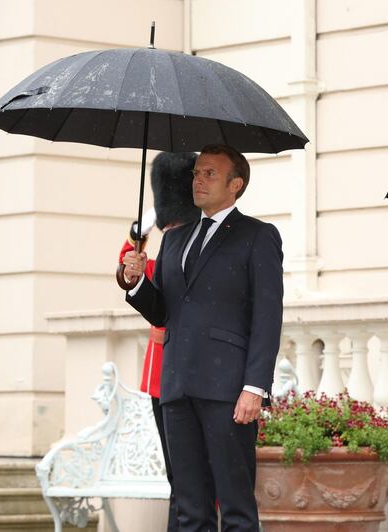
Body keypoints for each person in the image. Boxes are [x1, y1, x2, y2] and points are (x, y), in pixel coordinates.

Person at [122, 144, 284, 532]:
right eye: (197, 172)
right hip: (176, 387)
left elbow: (267, 318)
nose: (198, 179)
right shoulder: (176, 238)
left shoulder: (258, 235)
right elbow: (163, 311)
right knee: (189, 508)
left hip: (228, 390)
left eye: (210, 173)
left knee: (236, 507)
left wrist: (254, 387)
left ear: (236, 184)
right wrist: (136, 280)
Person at [118, 151, 199, 532]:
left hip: (197, 368)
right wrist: (141, 230)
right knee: (179, 475)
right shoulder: (161, 241)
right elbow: (131, 271)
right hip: (162, 373)